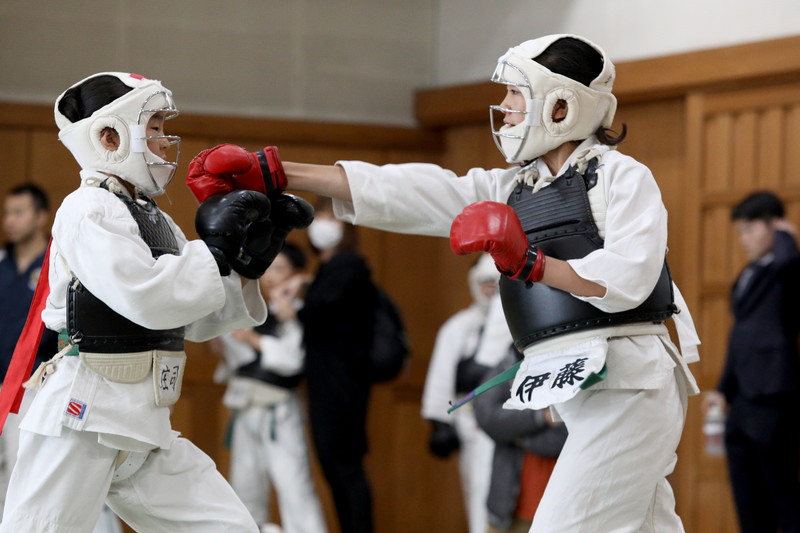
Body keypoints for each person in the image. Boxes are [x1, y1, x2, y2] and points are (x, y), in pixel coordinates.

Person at [187, 34, 702, 531]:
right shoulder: (512, 187)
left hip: (632, 382)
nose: (504, 107)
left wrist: (533, 264)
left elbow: (631, 277)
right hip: (581, 378)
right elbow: (412, 189)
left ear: (561, 107)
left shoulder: (621, 176)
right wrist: (275, 172)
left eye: (515, 94)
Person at [0, 71, 282, 532]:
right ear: (109, 136)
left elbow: (195, 316)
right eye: (150, 128)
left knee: (229, 527)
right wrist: (214, 252)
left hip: (143, 425)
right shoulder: (86, 208)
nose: (163, 141)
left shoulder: (154, 218)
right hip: (83, 418)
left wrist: (247, 264)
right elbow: (145, 294)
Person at [702, 191, 800, 533]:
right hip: (742, 402)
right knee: (747, 496)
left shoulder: (785, 268)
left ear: (774, 225)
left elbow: (789, 262)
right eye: (740, 231)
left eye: (750, 229)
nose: (744, 239)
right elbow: (738, 339)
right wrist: (723, 391)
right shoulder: (748, 276)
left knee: (783, 491)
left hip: (774, 397)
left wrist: (787, 235)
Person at [213, 242, 328, 533]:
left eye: (281, 269)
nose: (272, 276)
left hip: (279, 410)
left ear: (297, 273)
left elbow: (292, 360)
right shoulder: (251, 310)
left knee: (294, 486)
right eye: (269, 269)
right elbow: (234, 355)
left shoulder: (299, 310)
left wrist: (255, 341)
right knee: (245, 486)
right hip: (245, 407)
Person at [298, 197, 377, 533]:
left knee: (344, 467)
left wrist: (299, 304)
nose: (323, 224)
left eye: (332, 217)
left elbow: (321, 312)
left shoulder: (348, 266)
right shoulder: (328, 270)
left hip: (341, 385)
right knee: (335, 467)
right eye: (319, 217)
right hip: (328, 381)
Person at [421, 253, 499, 533]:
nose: (490, 289)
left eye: (496, 282)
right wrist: (439, 422)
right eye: (485, 282)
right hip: (472, 422)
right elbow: (441, 375)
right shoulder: (459, 327)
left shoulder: (519, 324)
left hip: (517, 422)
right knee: (479, 489)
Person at [0, 183, 57, 513]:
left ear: (40, 218)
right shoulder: (2, 263)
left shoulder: (58, 266)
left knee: (24, 479)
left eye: (19, 212)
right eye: (7, 213)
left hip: (31, 389)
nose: (10, 220)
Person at [474, 345, 568, 533]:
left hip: (561, 510)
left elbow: (569, 433)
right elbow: (487, 415)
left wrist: (516, 436)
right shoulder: (511, 361)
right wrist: (542, 417)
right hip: (507, 509)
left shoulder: (576, 362)